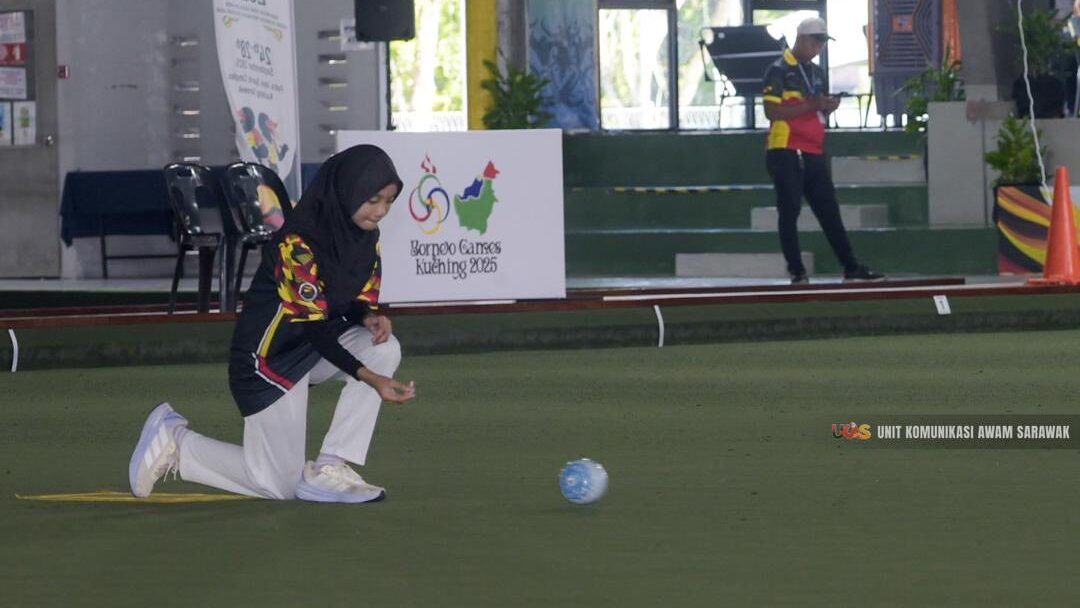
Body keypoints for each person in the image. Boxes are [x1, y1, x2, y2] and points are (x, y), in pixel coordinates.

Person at [129, 144, 416, 503]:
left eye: (389, 201)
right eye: (373, 200)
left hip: (311, 352)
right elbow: (313, 326)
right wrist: (372, 380)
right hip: (267, 361)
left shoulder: (365, 238)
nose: (382, 211)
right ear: (346, 192)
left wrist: (369, 316)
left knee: (384, 347)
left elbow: (351, 302)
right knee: (277, 486)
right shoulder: (297, 243)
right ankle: (177, 442)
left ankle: (331, 465)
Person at [762, 17, 884, 285]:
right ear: (801, 39)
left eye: (822, 43)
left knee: (829, 210)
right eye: (815, 42)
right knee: (789, 210)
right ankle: (797, 271)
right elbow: (771, 111)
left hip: (813, 150)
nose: (819, 48)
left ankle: (851, 267)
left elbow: (815, 105)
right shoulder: (779, 69)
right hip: (785, 149)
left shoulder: (816, 72)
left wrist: (826, 106)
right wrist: (809, 106)